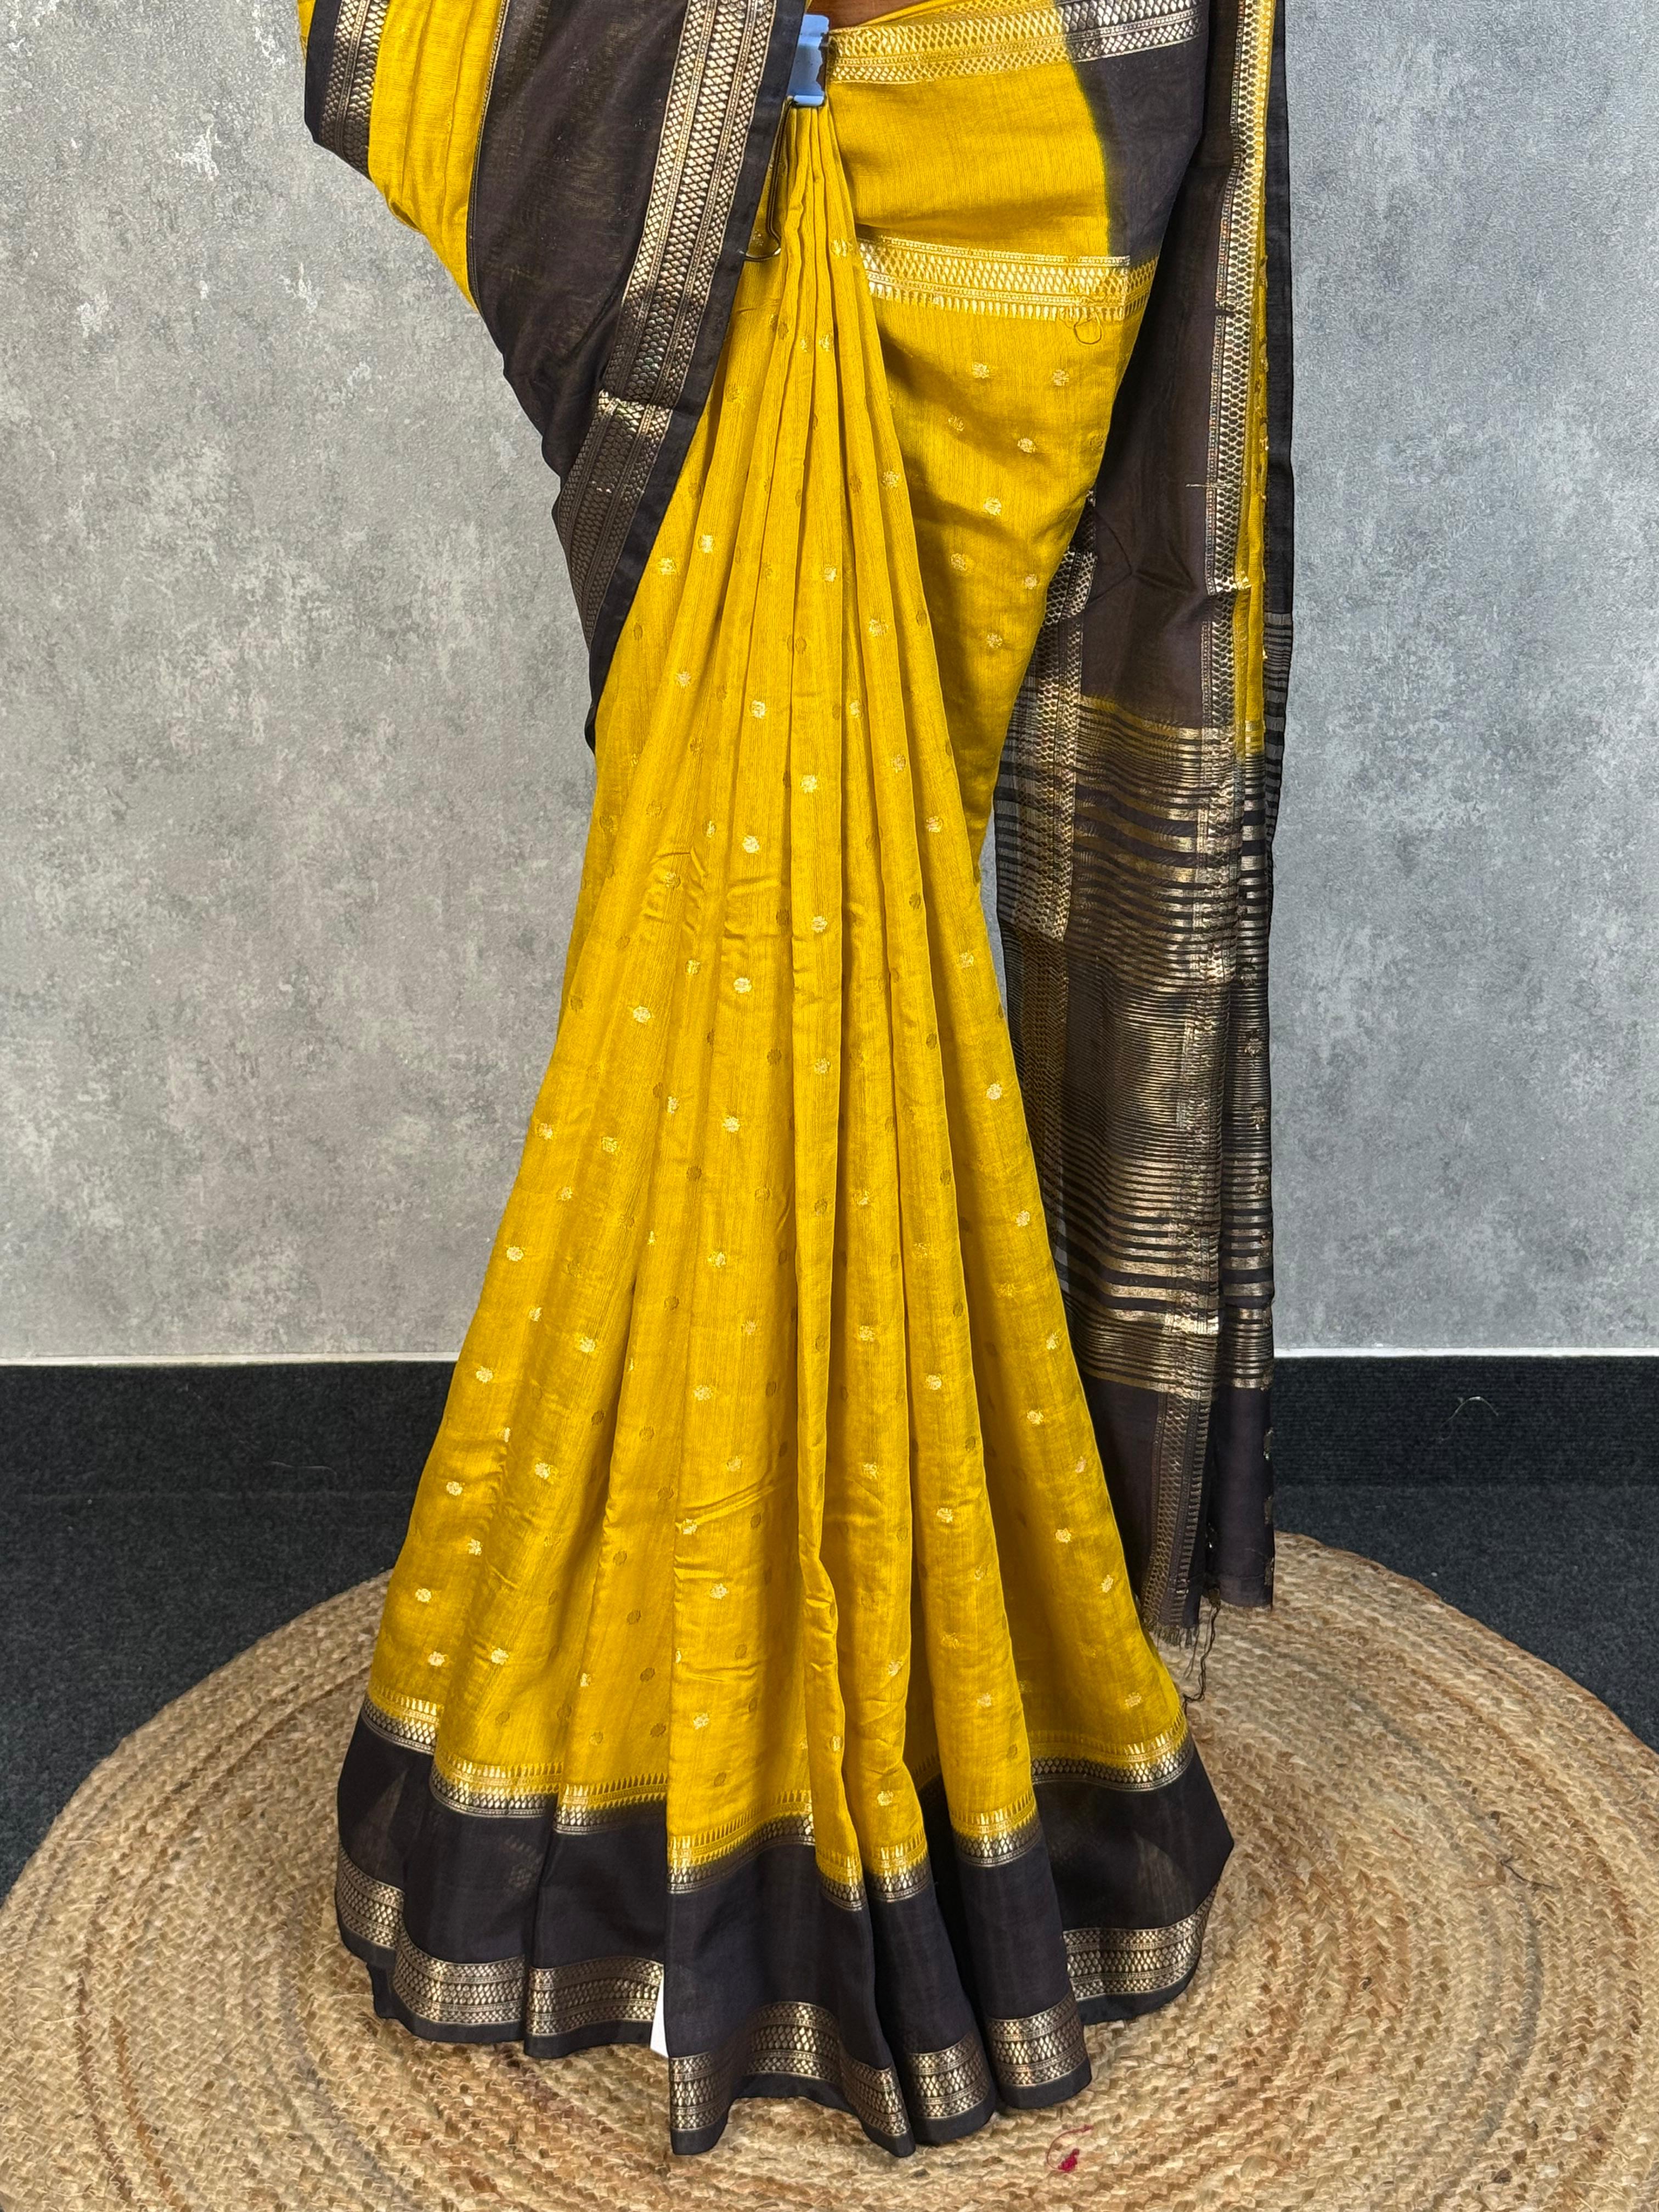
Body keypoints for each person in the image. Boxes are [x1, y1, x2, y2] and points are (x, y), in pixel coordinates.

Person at [298, 0, 1293, 2157]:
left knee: (865, 892)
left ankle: (834, 1749)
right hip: (748, 150)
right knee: (739, 915)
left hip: (1022, 125)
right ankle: (727, 1742)